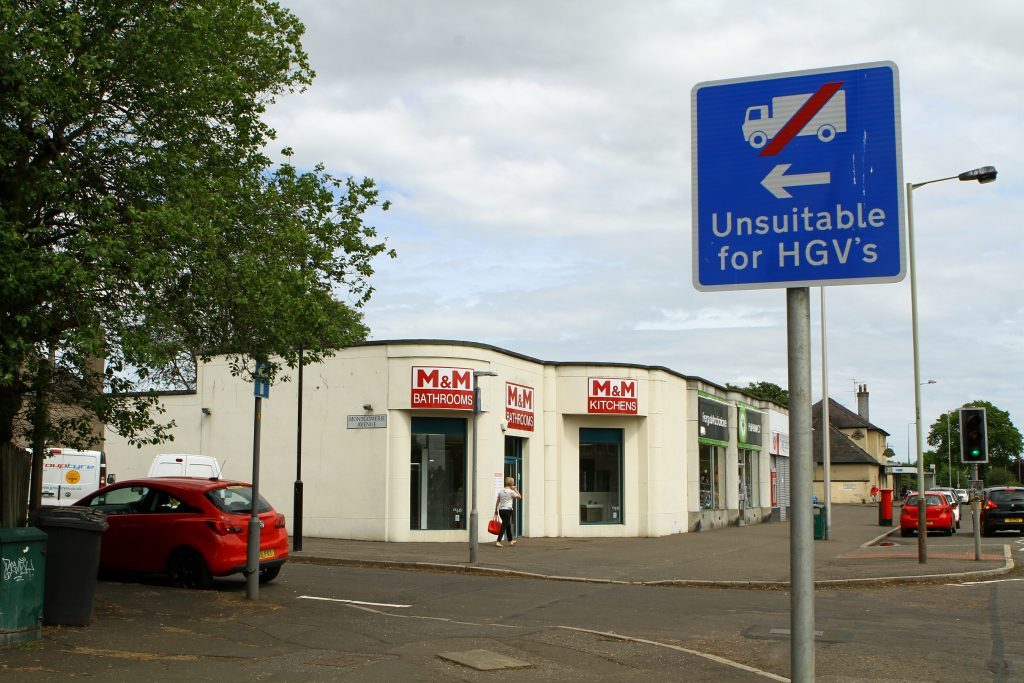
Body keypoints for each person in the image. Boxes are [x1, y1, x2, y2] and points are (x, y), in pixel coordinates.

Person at [493, 477, 522, 547]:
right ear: (512, 483)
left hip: (501, 510)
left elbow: (497, 501)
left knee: (507, 524)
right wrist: (515, 489)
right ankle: (498, 541)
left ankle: (511, 540)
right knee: (504, 525)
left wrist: (496, 511)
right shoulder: (511, 492)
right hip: (508, 510)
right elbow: (520, 497)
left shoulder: (501, 491)